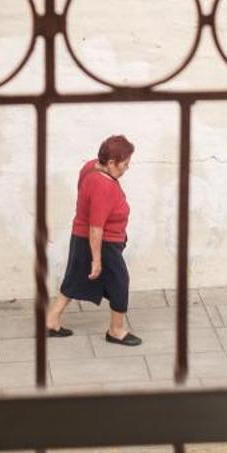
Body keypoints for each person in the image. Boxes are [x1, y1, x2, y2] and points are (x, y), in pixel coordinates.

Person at [45, 135, 141, 345]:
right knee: (119, 282)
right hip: (101, 243)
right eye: (124, 164)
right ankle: (116, 330)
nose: (126, 169)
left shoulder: (90, 167)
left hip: (81, 236)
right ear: (111, 163)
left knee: (75, 277)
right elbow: (96, 228)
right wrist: (96, 260)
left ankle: (51, 321)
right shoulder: (103, 186)